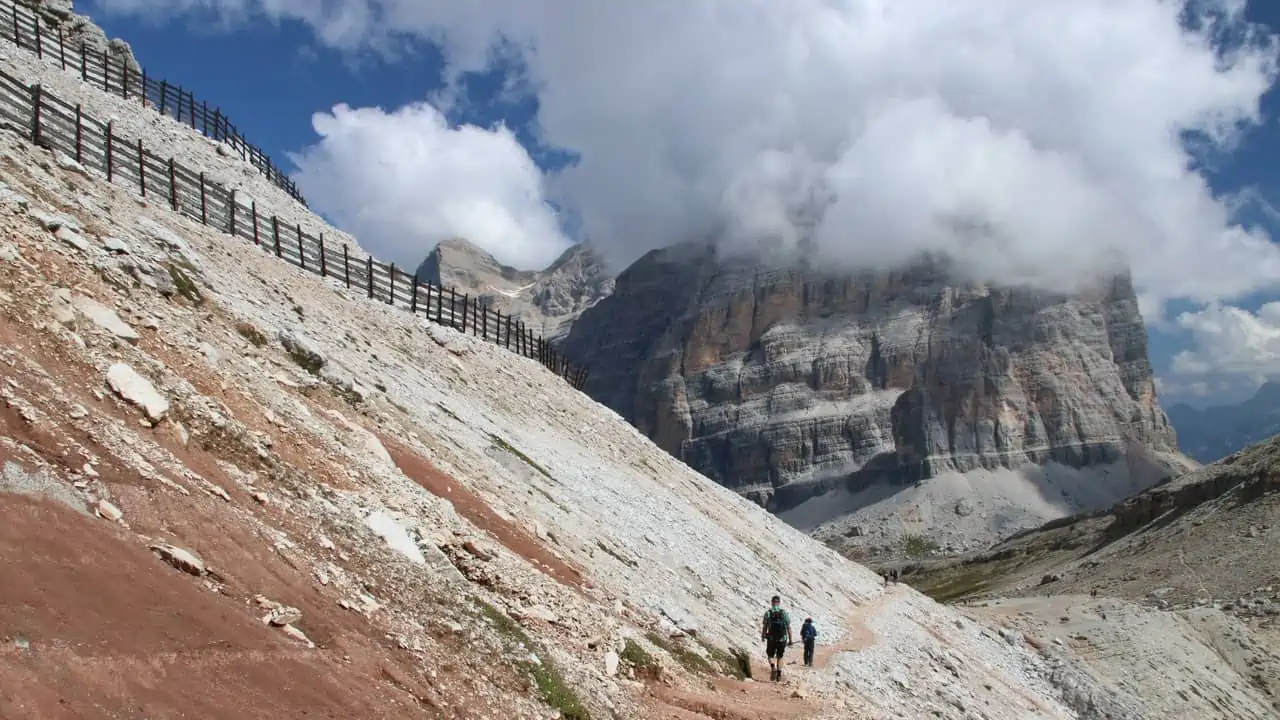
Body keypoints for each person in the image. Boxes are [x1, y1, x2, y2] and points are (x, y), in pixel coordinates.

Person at [760, 595, 793, 682]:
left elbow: (765, 626)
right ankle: (779, 674)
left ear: (772, 602)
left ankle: (772, 667)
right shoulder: (783, 613)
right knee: (780, 656)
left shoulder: (768, 613)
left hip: (771, 639)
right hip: (782, 639)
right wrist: (790, 640)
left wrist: (763, 636)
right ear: (779, 603)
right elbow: (789, 627)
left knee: (770, 655)